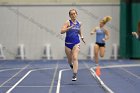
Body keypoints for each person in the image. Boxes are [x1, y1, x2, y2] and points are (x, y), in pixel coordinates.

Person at [61, 9, 85, 81]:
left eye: (74, 13)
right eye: (71, 14)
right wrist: (69, 28)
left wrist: (82, 37)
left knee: (75, 57)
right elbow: (61, 31)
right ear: (69, 15)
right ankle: (71, 65)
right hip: (68, 44)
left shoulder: (79, 23)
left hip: (76, 43)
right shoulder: (68, 22)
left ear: (76, 14)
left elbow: (79, 31)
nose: (73, 15)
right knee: (69, 60)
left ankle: (74, 75)